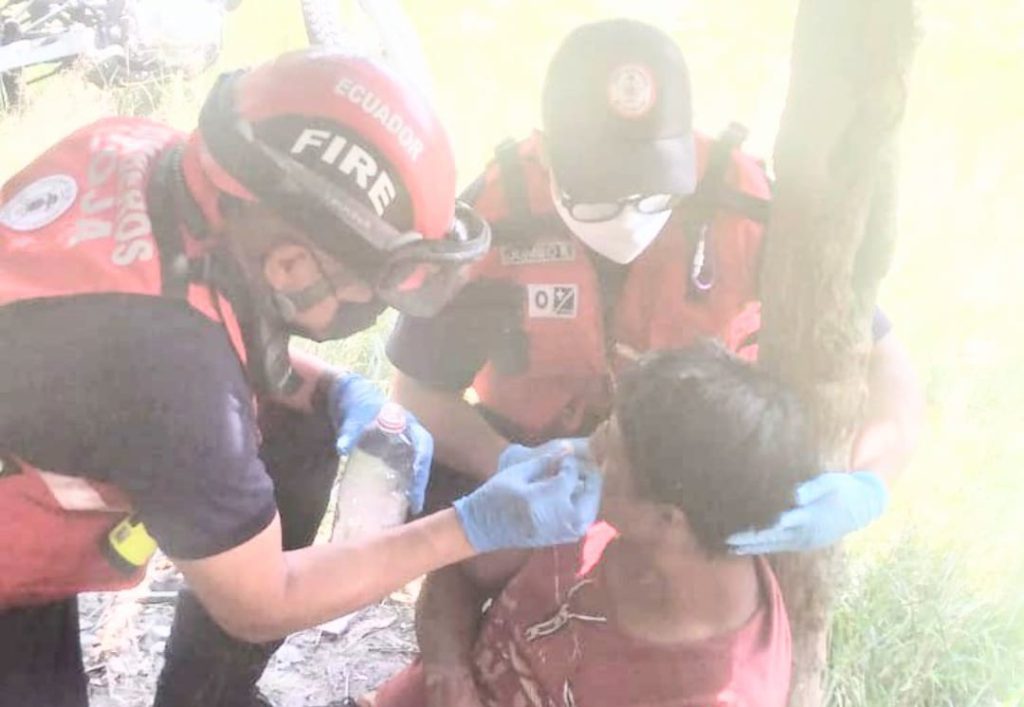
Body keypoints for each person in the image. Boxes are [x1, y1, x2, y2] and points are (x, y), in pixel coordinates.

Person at [0, 49, 602, 707]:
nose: (368, 305)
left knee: (298, 419)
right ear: (288, 266)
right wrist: (473, 523)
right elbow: (261, 600)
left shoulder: (148, 154)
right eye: (368, 286)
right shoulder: (174, 378)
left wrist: (328, 388)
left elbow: (161, 337)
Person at [388, 18, 923, 556]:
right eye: (600, 195)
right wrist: (502, 460)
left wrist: (867, 485)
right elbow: (416, 391)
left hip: (688, 476)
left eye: (650, 195)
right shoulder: (500, 218)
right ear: (548, 154)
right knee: (463, 561)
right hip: (533, 461)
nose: (628, 217)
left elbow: (880, 358)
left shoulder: (745, 205)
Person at [365, 343, 817, 707]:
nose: (579, 452)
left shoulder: (710, 691)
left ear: (667, 518)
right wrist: (447, 675)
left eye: (608, 450)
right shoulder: (585, 511)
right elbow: (459, 574)